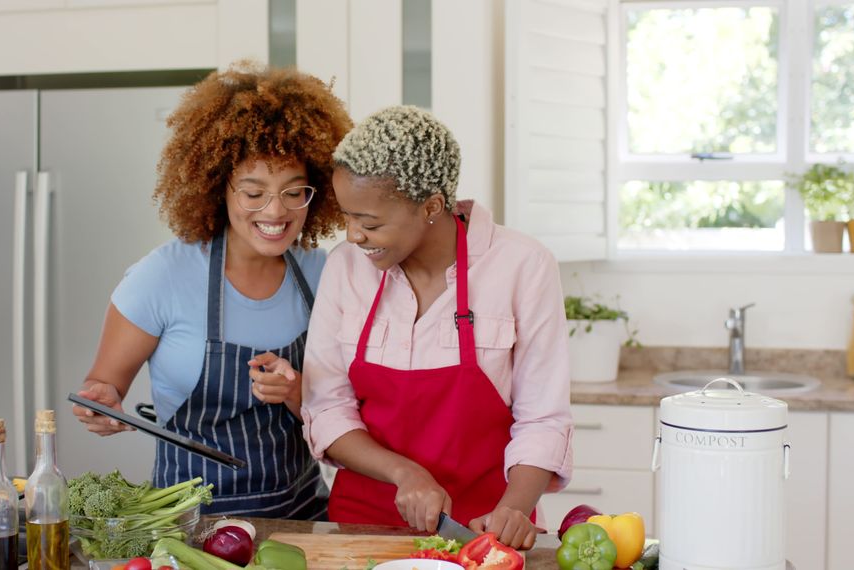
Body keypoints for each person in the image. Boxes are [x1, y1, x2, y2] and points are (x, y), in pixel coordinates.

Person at [72, 61, 352, 519]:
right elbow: (102, 386)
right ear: (218, 185)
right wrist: (100, 403)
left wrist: (297, 392)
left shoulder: (324, 273)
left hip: (303, 521)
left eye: (293, 191)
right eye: (253, 191)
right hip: (188, 526)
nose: (275, 211)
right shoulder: (160, 277)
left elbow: (347, 408)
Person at [299, 105, 573, 548]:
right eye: (347, 216)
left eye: (369, 223)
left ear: (431, 206)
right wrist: (404, 472)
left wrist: (514, 510)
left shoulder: (523, 265)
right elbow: (327, 408)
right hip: (361, 528)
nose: (352, 236)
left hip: (482, 530)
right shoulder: (345, 268)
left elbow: (542, 418)